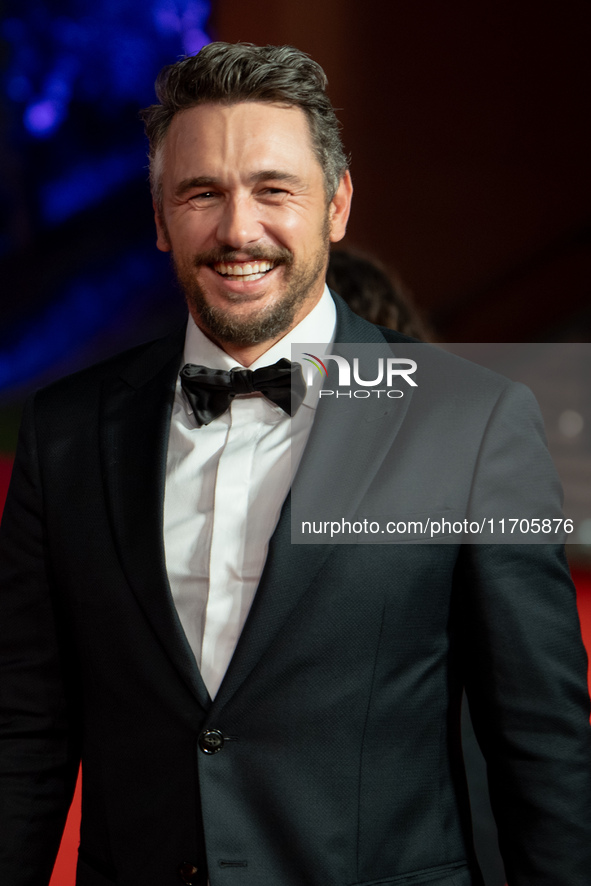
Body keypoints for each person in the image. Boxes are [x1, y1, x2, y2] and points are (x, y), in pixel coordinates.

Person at [0, 42, 590, 886]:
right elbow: (25, 728)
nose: (239, 230)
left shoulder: (474, 421)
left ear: (337, 204)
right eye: (201, 193)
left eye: (274, 190)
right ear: (161, 219)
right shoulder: (66, 430)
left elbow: (540, 741)